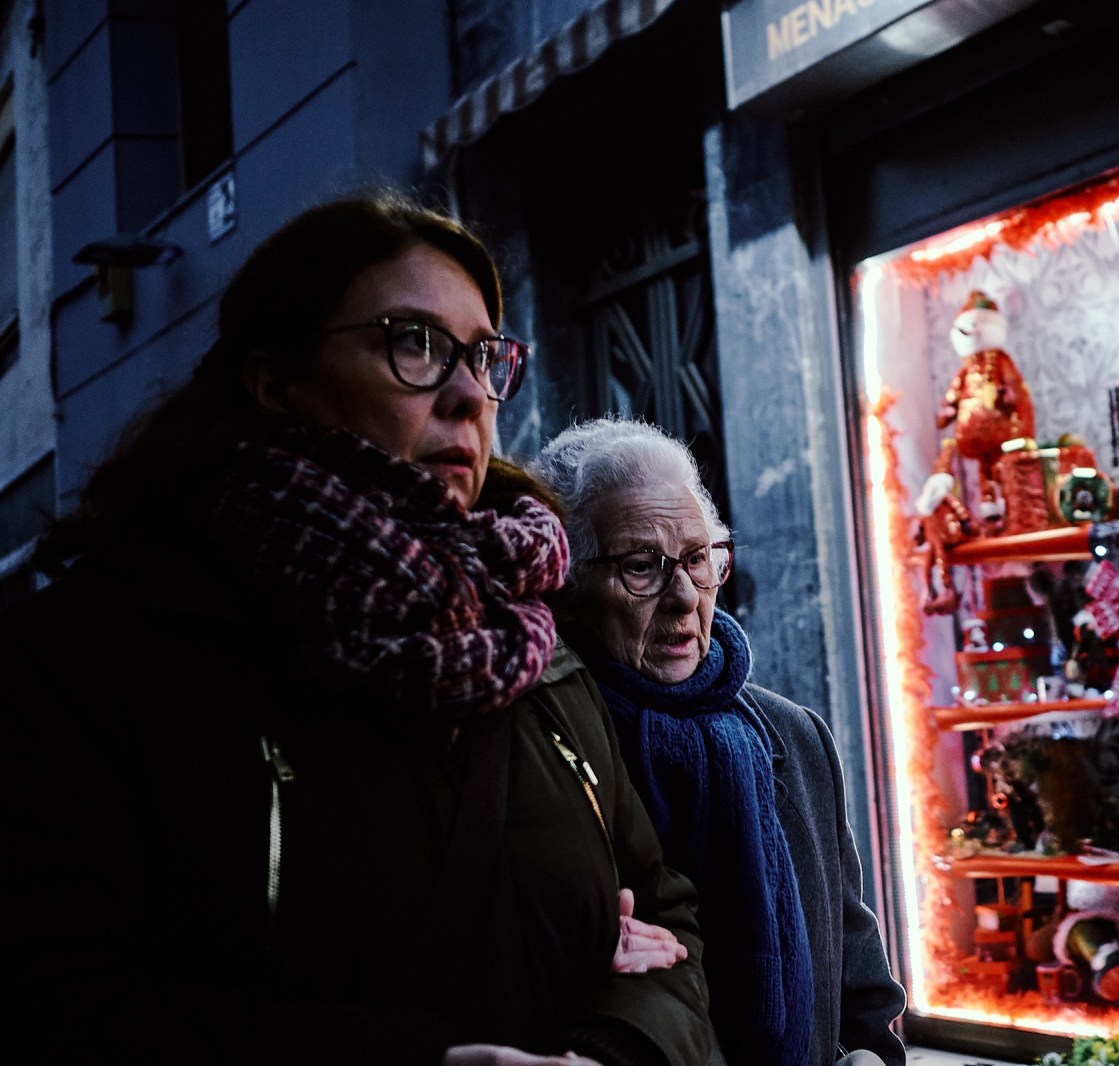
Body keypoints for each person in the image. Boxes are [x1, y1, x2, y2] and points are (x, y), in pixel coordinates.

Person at [0, 191, 713, 1065]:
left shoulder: (534, 638)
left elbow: (666, 915)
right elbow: (58, 1004)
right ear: (276, 383)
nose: (467, 394)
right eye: (413, 343)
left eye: (485, 356)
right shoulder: (101, 655)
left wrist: (614, 1047)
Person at [534, 417, 907, 1066]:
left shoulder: (795, 736)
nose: (684, 598)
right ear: (566, 587)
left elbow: (862, 986)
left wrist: (871, 1056)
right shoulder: (550, 754)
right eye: (640, 566)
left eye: (699, 558)